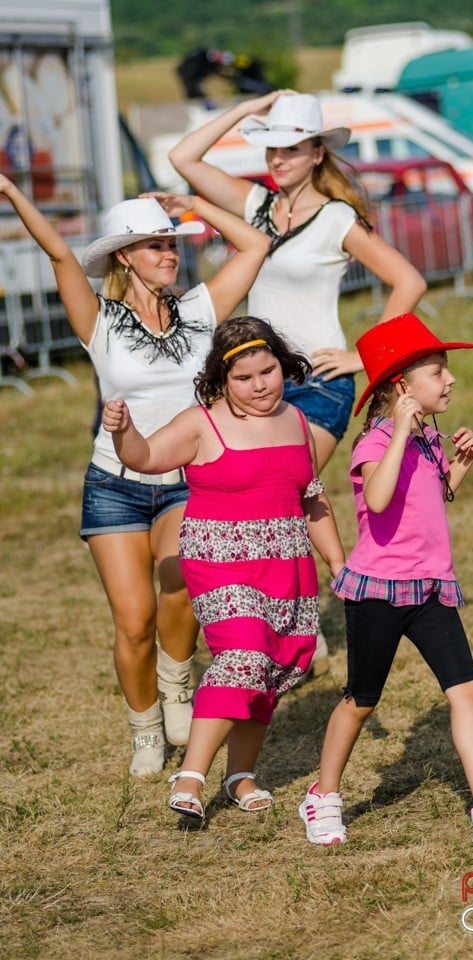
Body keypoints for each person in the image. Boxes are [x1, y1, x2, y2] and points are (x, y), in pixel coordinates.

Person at [0, 175, 271, 775]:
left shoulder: (200, 310)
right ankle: (145, 726)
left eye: (172, 245)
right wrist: (13, 193)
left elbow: (253, 246)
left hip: (185, 482)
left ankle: (178, 680)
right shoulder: (98, 320)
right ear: (125, 255)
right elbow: (58, 253)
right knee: (134, 620)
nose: (170, 253)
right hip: (113, 486)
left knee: (180, 590)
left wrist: (194, 206)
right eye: (155, 245)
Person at [169, 90, 427, 672]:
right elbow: (185, 160)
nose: (276, 159)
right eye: (270, 148)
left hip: (317, 384)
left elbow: (407, 281)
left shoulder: (336, 218)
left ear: (316, 153)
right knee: (259, 504)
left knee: (286, 493)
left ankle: (293, 623)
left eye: (289, 149)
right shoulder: (257, 204)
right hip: (253, 380)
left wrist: (366, 356)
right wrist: (246, 109)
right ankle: (281, 619)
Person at [298, 313, 473, 845]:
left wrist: (460, 463)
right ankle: (323, 796)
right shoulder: (376, 443)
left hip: (431, 588)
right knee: (361, 700)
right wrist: (399, 436)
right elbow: (378, 498)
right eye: (438, 372)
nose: (450, 380)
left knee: (466, 689)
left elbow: (432, 497)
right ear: (403, 387)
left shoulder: (429, 441)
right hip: (379, 592)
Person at [102, 316, 346, 819]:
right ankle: (190, 777)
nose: (260, 385)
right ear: (221, 378)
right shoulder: (202, 422)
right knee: (244, 656)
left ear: (283, 364)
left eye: (269, 371)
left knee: (274, 666)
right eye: (244, 377)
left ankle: (240, 776)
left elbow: (312, 498)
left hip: (288, 563)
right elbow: (144, 457)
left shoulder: (298, 421)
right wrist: (124, 432)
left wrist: (339, 563)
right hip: (221, 562)